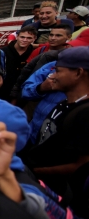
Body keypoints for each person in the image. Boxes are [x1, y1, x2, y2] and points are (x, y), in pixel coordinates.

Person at [25, 47, 89, 192]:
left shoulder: (85, 113)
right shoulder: (64, 103)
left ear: (78, 73)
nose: (52, 76)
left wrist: (33, 173)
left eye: (58, 71)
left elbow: (81, 166)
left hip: (59, 193)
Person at [0, 25, 37, 100]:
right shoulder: (1, 52)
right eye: (22, 37)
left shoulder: (34, 53)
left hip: (20, 93)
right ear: (17, 37)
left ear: (34, 39)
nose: (25, 40)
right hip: (0, 91)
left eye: (29, 38)